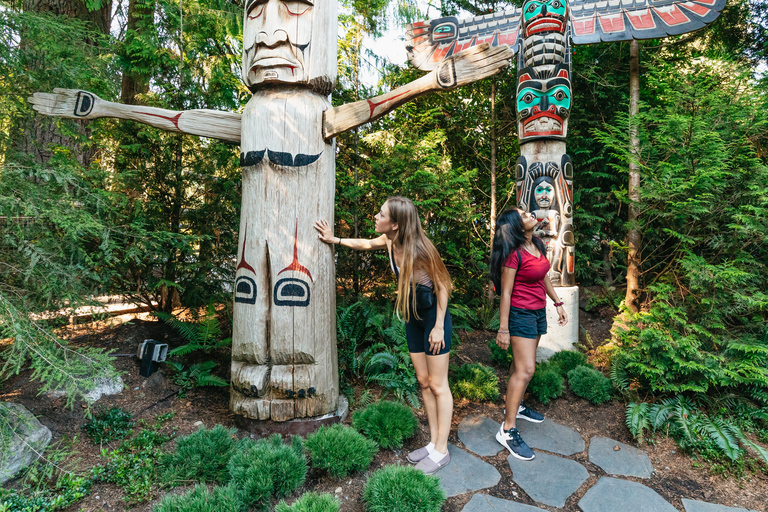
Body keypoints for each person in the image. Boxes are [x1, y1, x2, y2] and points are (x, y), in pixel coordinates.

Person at [314, 196, 453, 474]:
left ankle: (442, 450)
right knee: (423, 382)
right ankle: (433, 443)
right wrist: (334, 239)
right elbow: (365, 243)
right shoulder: (390, 242)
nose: (375, 217)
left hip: (433, 318)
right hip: (413, 318)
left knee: (439, 385)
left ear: (396, 224)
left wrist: (438, 326)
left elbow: (443, 287)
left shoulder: (423, 249)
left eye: (381, 214)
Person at [489, 208, 568, 460]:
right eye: (523, 214)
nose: (529, 213)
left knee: (519, 365)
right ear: (515, 226)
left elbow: (543, 275)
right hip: (520, 314)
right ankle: (508, 430)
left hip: (537, 312)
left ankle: (518, 405)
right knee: (527, 370)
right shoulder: (513, 254)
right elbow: (506, 292)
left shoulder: (536, 243)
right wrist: (503, 329)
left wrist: (557, 302)